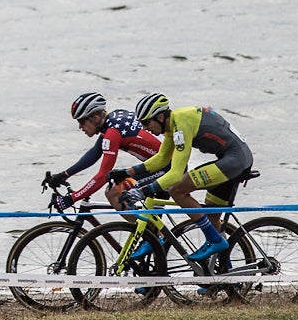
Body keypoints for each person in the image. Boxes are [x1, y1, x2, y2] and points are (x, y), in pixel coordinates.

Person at [108, 93, 253, 263]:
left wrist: (143, 191)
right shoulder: (173, 124)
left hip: (234, 161)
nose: (145, 128)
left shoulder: (181, 124)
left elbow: (176, 174)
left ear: (160, 116)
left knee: (177, 190)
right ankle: (221, 277)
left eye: (147, 123)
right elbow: (162, 158)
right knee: (213, 217)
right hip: (231, 159)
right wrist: (128, 172)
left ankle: (215, 240)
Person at [41, 91, 161, 205]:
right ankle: (147, 227)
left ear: (95, 117)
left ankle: (142, 227)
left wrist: (72, 199)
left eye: (82, 121)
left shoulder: (112, 133)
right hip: (158, 165)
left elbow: (103, 175)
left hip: (165, 167)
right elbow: (95, 152)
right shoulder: (112, 121)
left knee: (113, 193)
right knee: (117, 189)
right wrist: (65, 174)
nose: (80, 127)